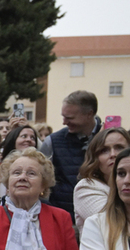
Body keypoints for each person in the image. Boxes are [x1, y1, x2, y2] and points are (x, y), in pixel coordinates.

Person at [41, 90, 102, 218]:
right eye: (63, 116)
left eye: (69, 118)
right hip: (63, 218)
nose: (64, 122)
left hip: (101, 217)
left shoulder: (109, 140)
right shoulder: (52, 142)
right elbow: (41, 179)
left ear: (89, 114)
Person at [73, 128, 130, 234]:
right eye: (104, 150)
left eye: (119, 148)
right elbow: (113, 225)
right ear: (95, 158)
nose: (113, 154)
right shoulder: (87, 187)